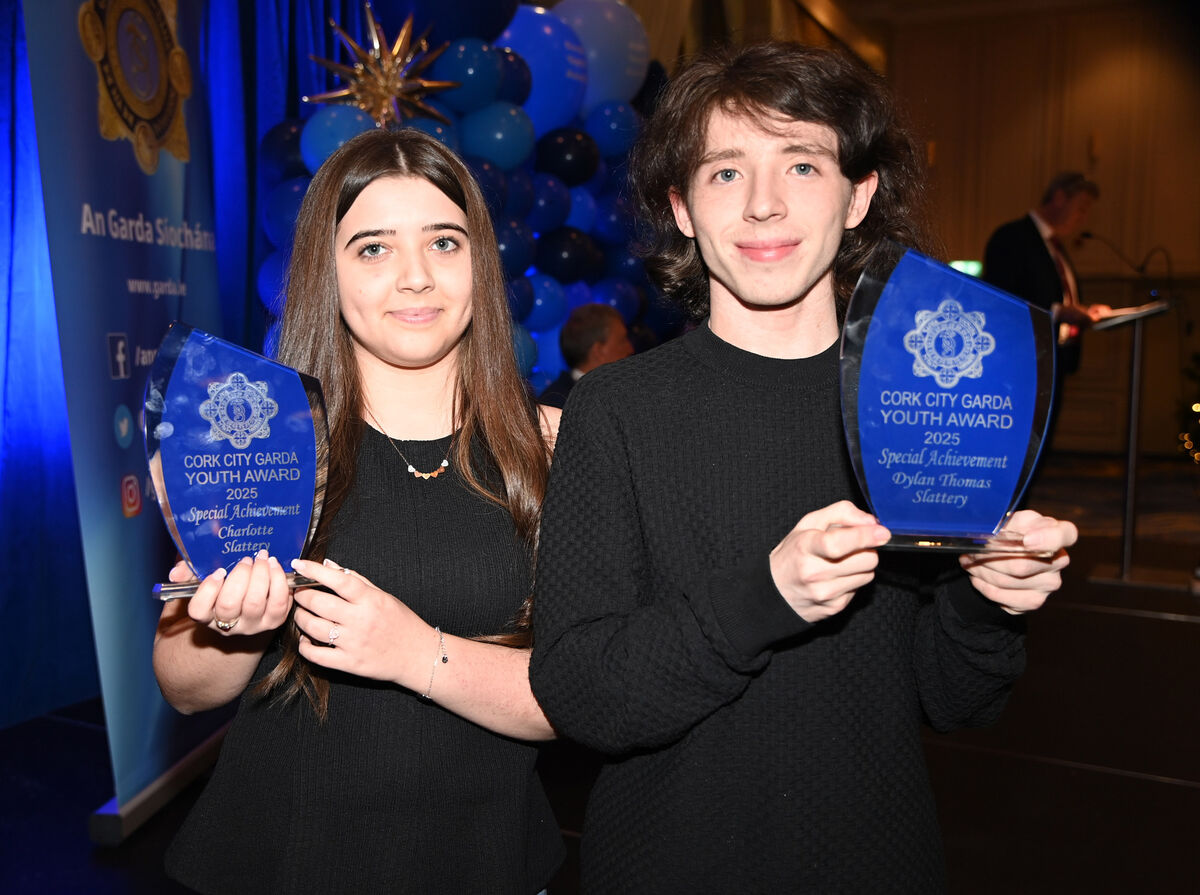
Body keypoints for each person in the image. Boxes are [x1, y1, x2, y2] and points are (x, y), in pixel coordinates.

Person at [528, 41, 1079, 892]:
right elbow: (582, 693)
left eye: (802, 165)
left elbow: (960, 700)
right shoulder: (616, 409)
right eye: (724, 172)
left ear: (859, 195)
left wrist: (985, 597)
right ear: (681, 208)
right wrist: (765, 596)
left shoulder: (926, 399)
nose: (763, 204)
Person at [153, 129, 564, 894]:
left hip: (486, 859)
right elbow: (183, 685)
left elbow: (585, 694)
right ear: (328, 271)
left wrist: (415, 652)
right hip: (281, 861)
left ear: (480, 259)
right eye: (374, 248)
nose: (416, 276)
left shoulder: (553, 446)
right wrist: (239, 626)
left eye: (444, 241)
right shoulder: (264, 443)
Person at [983, 171, 1111, 376]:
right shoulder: (1011, 238)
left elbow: (1054, 295)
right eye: (1081, 208)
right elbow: (1002, 299)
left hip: (1056, 359)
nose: (1083, 218)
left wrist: (1084, 311)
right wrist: (1059, 312)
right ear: (1059, 198)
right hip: (1024, 361)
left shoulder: (1055, 246)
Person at [537, 302, 634, 408]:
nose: (630, 349)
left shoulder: (622, 393)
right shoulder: (558, 405)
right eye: (622, 341)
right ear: (599, 351)